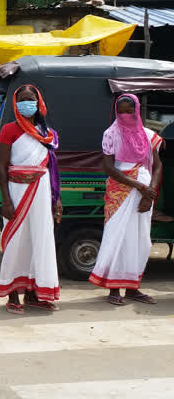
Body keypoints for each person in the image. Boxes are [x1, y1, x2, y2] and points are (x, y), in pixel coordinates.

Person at [89, 94, 162, 305]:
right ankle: (113, 288)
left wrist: (151, 192)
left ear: (137, 110)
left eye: (130, 111)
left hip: (145, 190)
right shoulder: (111, 134)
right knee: (117, 237)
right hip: (120, 191)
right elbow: (109, 167)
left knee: (140, 239)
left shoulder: (149, 135)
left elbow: (157, 165)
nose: (126, 115)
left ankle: (132, 288)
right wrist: (140, 187)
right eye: (121, 111)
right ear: (116, 112)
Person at [0, 85, 62, 314]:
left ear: (39, 102)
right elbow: (1, 167)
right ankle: (12, 294)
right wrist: (5, 200)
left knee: (41, 239)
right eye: (22, 99)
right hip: (17, 190)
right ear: (15, 104)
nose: (27, 103)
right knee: (16, 239)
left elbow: (52, 167)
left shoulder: (47, 133)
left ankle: (35, 293)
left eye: (30, 99)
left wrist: (57, 199)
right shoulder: (8, 130)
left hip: (42, 190)